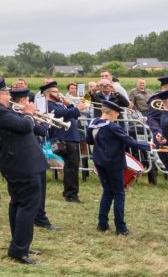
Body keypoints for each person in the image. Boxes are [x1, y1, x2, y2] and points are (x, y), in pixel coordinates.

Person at [0, 79, 47, 265]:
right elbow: (25, 126)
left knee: (18, 204)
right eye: (7, 93)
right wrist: (29, 114)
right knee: (27, 205)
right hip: (21, 164)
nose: (10, 96)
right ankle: (19, 249)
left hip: (17, 162)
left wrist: (25, 114)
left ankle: (19, 243)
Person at [87, 99, 154, 235]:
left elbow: (89, 140)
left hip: (99, 162)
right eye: (117, 115)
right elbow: (130, 142)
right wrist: (148, 145)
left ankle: (102, 224)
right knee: (119, 194)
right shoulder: (112, 126)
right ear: (112, 114)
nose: (117, 117)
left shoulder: (92, 123)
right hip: (114, 163)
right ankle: (121, 228)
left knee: (107, 192)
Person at [10, 88, 56, 232]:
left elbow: (42, 131)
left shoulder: (25, 114)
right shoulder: (17, 115)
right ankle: (39, 218)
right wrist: (31, 116)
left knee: (40, 188)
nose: (30, 103)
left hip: (35, 154)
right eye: (28, 101)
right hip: (26, 157)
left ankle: (40, 215)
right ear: (23, 101)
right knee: (34, 192)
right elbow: (35, 129)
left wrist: (41, 119)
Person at [42, 81, 83, 202]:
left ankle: (68, 192)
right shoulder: (48, 105)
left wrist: (69, 105)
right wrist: (77, 108)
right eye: (55, 92)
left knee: (72, 166)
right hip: (64, 138)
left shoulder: (59, 104)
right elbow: (60, 114)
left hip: (71, 137)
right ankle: (71, 195)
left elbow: (72, 116)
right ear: (48, 93)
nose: (58, 93)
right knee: (71, 166)